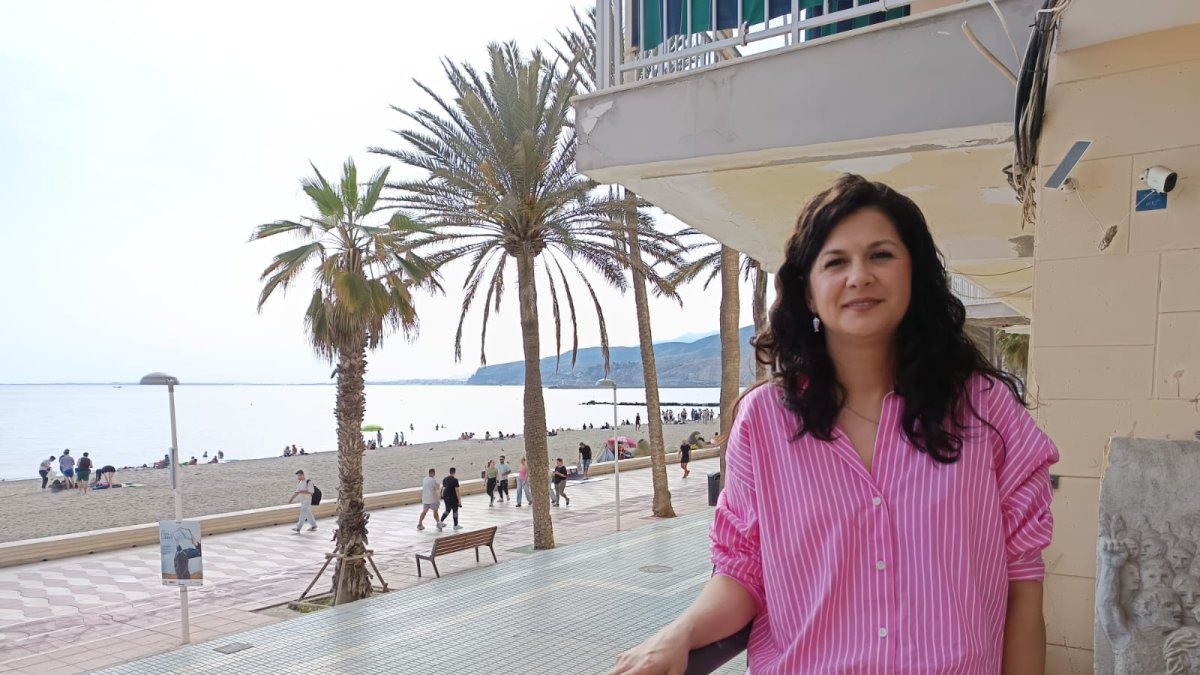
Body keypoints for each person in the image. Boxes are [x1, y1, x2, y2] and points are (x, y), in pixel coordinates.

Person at [611, 174, 1057, 674]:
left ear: (915, 274)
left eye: (881, 255)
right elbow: (742, 573)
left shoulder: (986, 411)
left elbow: (1022, 588)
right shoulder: (763, 422)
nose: (859, 276)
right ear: (807, 291)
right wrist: (680, 633)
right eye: (836, 262)